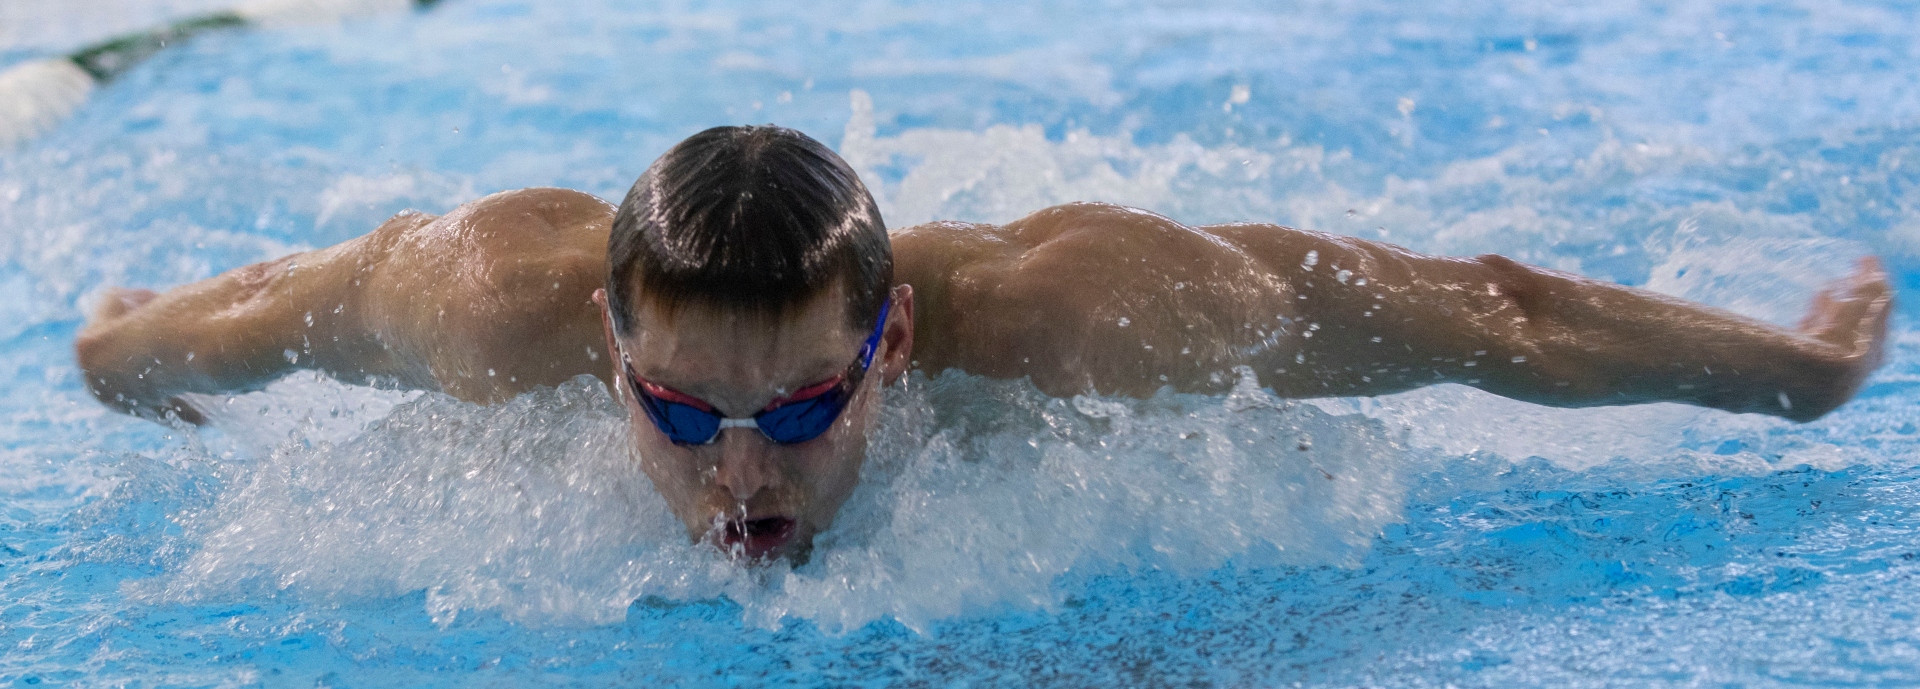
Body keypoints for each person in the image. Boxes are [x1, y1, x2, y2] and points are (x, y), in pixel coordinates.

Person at [74, 125, 1892, 562]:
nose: (740, 471)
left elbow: (1486, 313)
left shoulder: (1098, 318)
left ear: (897, 343)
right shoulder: (482, 306)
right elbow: (247, 320)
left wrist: (1796, 374)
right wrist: (117, 355)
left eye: (798, 404)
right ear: (606, 343)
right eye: (682, 411)